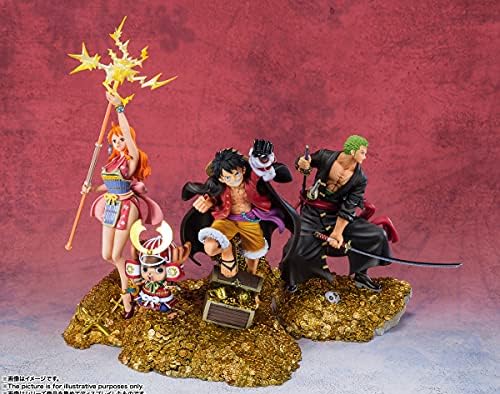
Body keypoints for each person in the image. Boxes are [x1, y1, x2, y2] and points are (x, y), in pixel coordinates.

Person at [82, 92, 163, 318]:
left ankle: (127, 294)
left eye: (121, 140)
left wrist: (120, 109)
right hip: (111, 206)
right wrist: (91, 189)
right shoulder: (112, 163)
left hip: (127, 206)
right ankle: (132, 275)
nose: (119, 143)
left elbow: (127, 134)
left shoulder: (131, 159)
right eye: (115, 140)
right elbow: (109, 185)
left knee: (117, 253)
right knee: (107, 254)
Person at [280, 135, 392, 293]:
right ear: (352, 151)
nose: (365, 157)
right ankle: (291, 281)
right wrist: (302, 163)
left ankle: (361, 274)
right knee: (294, 248)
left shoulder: (360, 178)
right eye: (362, 152)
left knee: (376, 235)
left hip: (336, 215)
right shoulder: (325, 156)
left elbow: (349, 206)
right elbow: (305, 161)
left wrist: (338, 232)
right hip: (312, 213)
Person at [181, 140, 300, 277]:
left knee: (255, 253)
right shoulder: (219, 188)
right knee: (210, 247)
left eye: (236, 174)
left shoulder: (251, 183)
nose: (234, 179)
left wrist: (264, 159)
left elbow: (267, 172)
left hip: (250, 221)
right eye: (228, 177)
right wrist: (207, 201)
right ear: (221, 178)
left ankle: (250, 277)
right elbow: (209, 195)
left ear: (243, 170)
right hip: (226, 221)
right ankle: (227, 250)